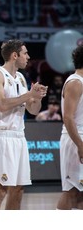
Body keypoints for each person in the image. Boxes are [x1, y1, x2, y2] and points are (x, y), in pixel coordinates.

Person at [0, 39, 47, 210]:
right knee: (0, 189)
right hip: (1, 137)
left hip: (19, 137)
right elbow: (1, 105)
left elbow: (33, 110)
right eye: (25, 53)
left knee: (18, 189)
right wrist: (28, 95)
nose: (28, 57)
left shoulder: (20, 78)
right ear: (14, 55)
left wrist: (37, 98)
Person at [57, 45, 83, 210]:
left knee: (81, 191)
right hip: (75, 138)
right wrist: (80, 144)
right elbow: (68, 117)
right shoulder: (75, 82)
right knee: (71, 190)